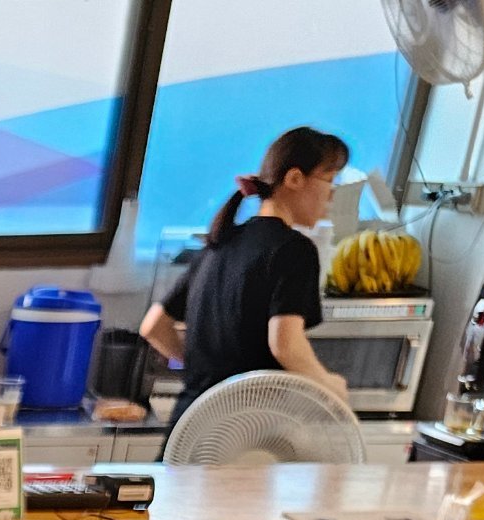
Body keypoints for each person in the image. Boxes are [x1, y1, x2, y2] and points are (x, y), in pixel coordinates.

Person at [141, 127, 352, 417]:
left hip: (189, 424)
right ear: (294, 178)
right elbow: (286, 345)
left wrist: (208, 371)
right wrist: (329, 385)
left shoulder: (218, 244)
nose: (332, 195)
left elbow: (153, 326)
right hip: (243, 424)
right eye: (330, 181)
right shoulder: (294, 249)